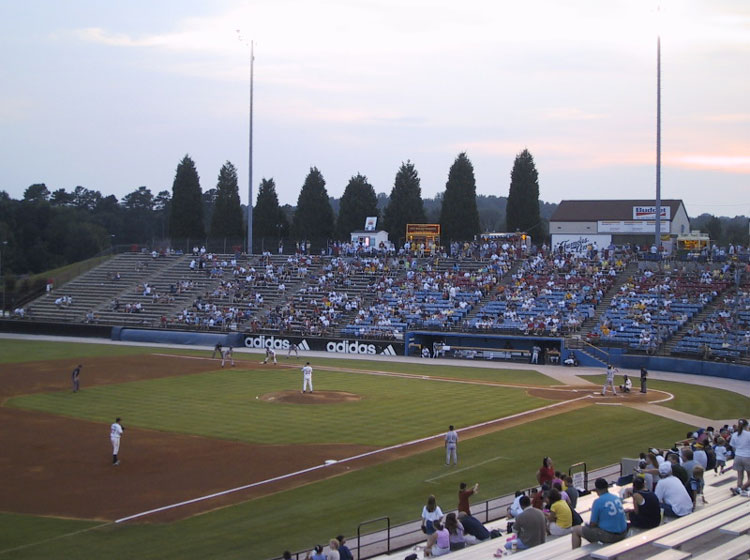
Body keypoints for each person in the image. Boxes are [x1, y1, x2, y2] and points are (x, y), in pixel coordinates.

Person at [572, 478, 627, 549]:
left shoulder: (598, 501)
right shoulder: (616, 497)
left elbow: (593, 524)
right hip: (623, 532)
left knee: (576, 529)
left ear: (597, 489)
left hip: (611, 536)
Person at [730, 418, 750, 496]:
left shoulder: (735, 434)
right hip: (747, 457)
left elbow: (733, 446)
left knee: (740, 475)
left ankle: (739, 487)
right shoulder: (749, 434)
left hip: (738, 456)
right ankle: (741, 489)